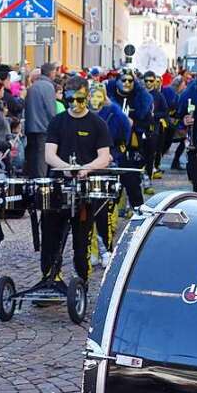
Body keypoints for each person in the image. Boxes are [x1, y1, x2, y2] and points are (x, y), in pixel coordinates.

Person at [41, 76, 112, 284]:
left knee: (82, 242)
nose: (75, 104)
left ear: (87, 96)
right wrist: (65, 168)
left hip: (85, 189)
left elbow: (104, 157)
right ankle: (50, 279)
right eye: (70, 100)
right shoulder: (58, 121)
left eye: (80, 100)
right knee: (50, 237)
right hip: (58, 187)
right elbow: (49, 154)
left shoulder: (97, 123)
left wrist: (86, 169)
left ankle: (81, 283)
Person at [90, 82, 129, 266]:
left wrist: (115, 153)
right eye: (92, 95)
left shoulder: (114, 111)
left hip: (109, 163)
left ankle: (107, 248)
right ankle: (93, 250)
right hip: (88, 166)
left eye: (98, 95)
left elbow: (124, 133)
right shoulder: (84, 113)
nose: (95, 99)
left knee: (104, 210)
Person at [108, 69, 150, 208]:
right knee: (110, 188)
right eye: (124, 80)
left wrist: (135, 124)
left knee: (133, 186)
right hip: (111, 147)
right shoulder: (109, 98)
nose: (127, 83)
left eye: (130, 80)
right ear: (117, 81)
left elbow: (147, 123)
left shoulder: (140, 100)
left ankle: (139, 216)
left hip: (132, 148)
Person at [24, 63, 58, 177]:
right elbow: (51, 109)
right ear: (51, 72)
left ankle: (34, 184)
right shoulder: (48, 86)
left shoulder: (34, 86)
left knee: (33, 159)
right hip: (43, 128)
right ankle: (41, 186)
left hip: (31, 128)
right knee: (42, 160)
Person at [142, 71, 168, 179]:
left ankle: (149, 175)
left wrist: (154, 115)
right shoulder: (140, 94)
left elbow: (165, 111)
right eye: (146, 81)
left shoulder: (158, 95)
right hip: (140, 127)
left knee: (151, 153)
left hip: (154, 128)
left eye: (151, 81)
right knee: (139, 153)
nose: (148, 83)